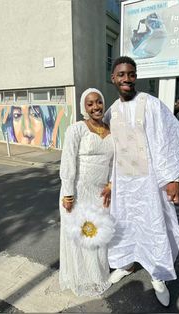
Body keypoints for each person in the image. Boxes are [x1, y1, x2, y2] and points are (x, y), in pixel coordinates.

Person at [103, 56, 179, 307]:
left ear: (136, 76)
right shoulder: (111, 111)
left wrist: (172, 179)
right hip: (123, 184)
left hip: (149, 184)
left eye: (131, 74)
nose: (126, 79)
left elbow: (166, 142)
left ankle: (158, 276)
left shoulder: (151, 104)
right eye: (121, 74)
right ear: (113, 78)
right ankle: (125, 263)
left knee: (154, 226)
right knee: (123, 224)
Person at [59, 88, 114, 297]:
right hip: (78, 192)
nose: (95, 107)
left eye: (98, 102)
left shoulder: (111, 130)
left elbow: (113, 163)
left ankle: (97, 275)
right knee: (80, 235)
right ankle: (81, 277)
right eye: (90, 104)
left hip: (101, 194)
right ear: (84, 107)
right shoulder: (77, 129)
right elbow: (68, 161)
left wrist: (110, 183)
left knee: (97, 234)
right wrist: (68, 193)